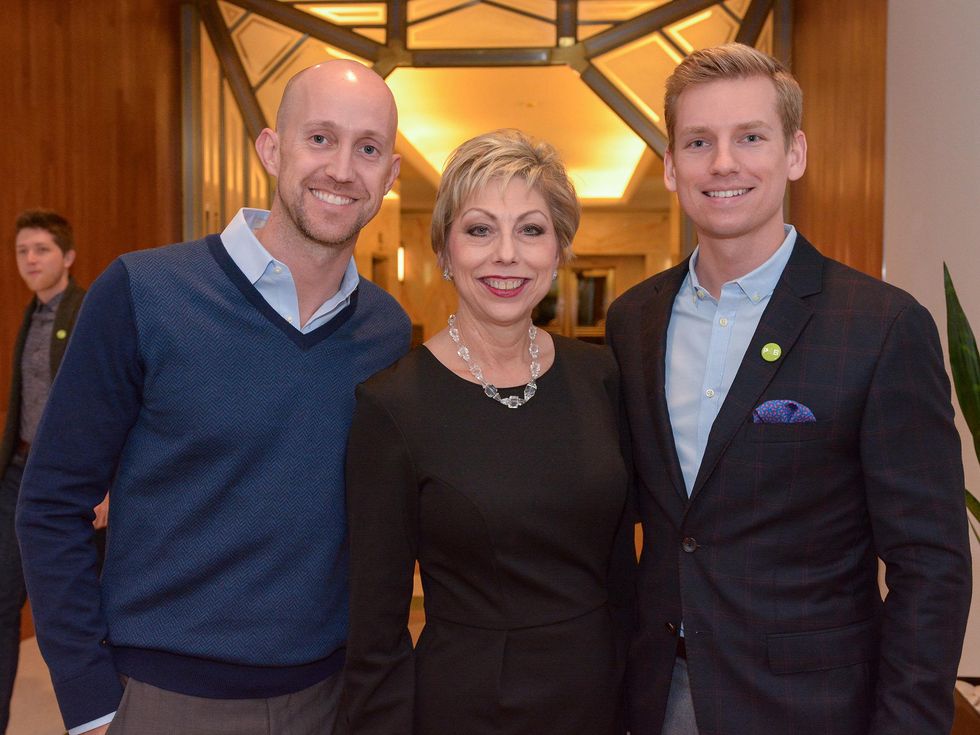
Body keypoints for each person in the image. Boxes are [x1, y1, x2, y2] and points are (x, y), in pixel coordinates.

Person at [15, 60, 410, 735]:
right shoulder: (142, 292)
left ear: (389, 176)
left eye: (367, 148)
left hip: (330, 698)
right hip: (164, 698)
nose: (342, 168)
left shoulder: (386, 330)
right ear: (271, 149)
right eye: (320, 138)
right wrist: (90, 701)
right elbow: (51, 501)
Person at [605, 43, 972, 735]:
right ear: (669, 165)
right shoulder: (633, 320)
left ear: (794, 153)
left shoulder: (883, 326)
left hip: (816, 710)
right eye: (698, 141)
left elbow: (932, 564)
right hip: (662, 696)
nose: (723, 163)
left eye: (750, 137)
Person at [342, 129, 635, 734]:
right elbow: (375, 624)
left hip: (599, 693)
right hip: (468, 704)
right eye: (479, 230)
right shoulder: (392, 404)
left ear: (558, 251)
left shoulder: (601, 377)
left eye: (531, 230)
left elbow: (623, 571)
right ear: (445, 253)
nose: (507, 254)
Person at [0, 210, 87, 733]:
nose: (30, 260)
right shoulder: (29, 314)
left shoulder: (85, 312)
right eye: (22, 251)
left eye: (42, 250)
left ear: (68, 257)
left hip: (68, 485)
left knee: (77, 615)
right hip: (16, 477)